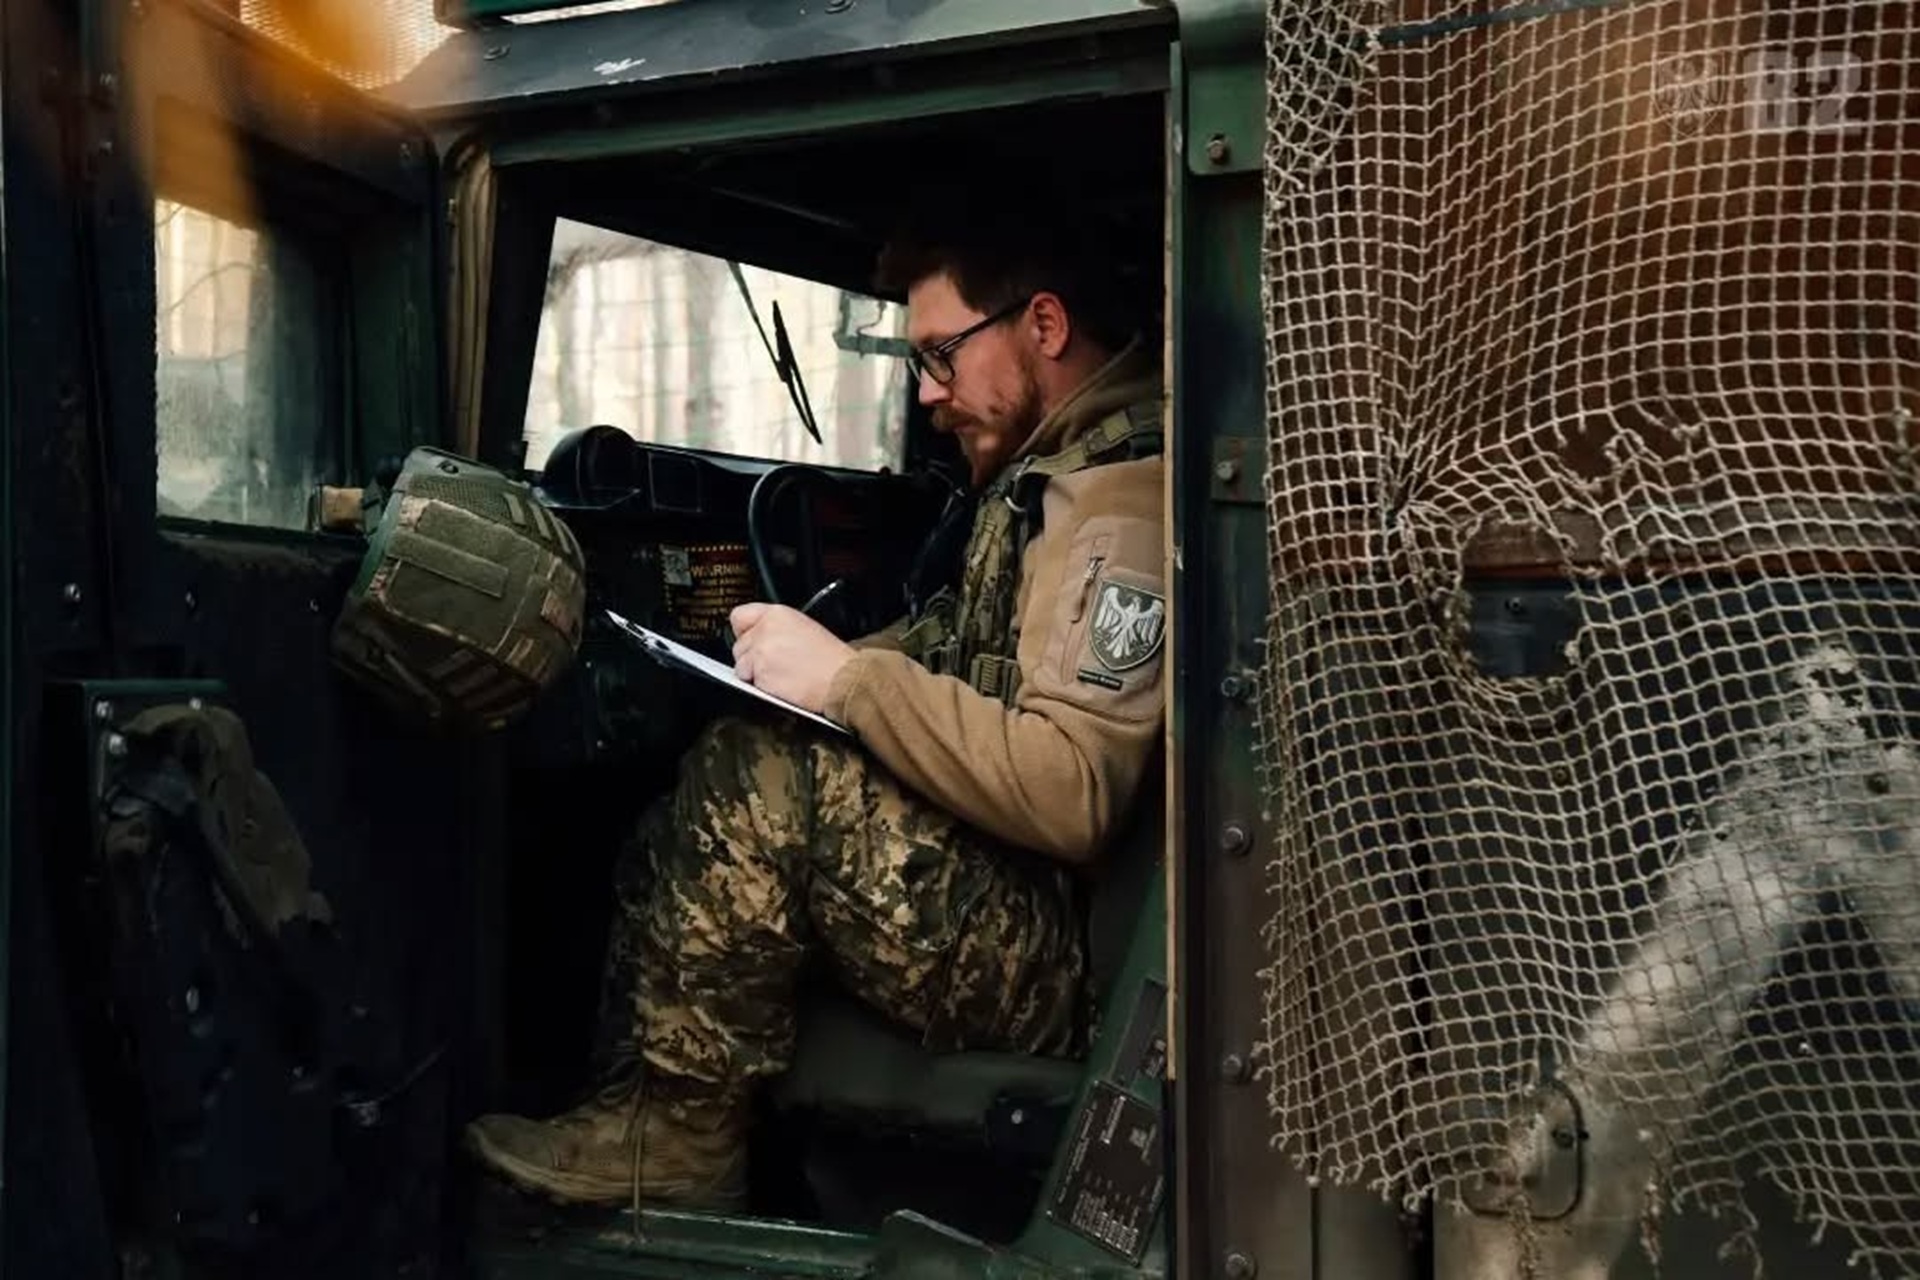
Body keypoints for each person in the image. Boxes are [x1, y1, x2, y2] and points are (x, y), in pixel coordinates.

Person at [462, 207, 1167, 1211]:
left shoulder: (1116, 499)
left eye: (942, 355)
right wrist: (804, 667)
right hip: (1026, 903)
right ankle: (638, 1105)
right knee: (693, 796)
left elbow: (1075, 788)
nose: (928, 393)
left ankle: (682, 1139)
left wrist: (847, 684)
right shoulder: (1045, 472)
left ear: (1044, 326)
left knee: (760, 774)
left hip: (1064, 963)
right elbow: (959, 645)